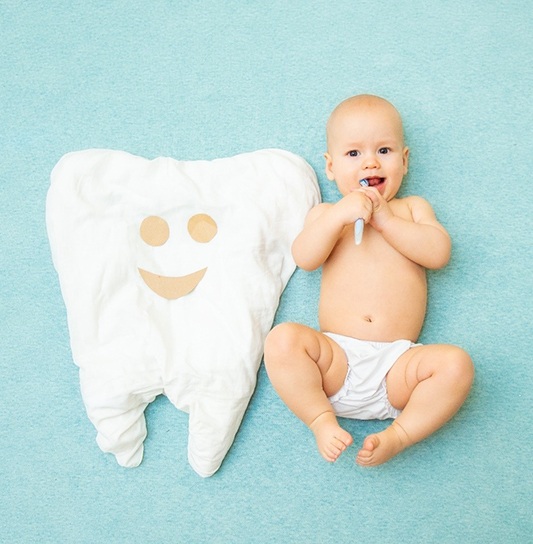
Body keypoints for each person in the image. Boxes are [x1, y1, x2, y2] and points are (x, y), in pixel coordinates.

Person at [264, 94, 474, 466]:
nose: (371, 161)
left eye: (384, 150)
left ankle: (399, 435)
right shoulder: (328, 214)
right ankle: (319, 419)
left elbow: (438, 253)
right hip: (335, 360)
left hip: (398, 368)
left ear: (404, 161)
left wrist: (387, 221)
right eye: (353, 154)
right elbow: (305, 258)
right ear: (330, 167)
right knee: (281, 341)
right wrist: (337, 218)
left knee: (456, 366)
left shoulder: (411, 209)